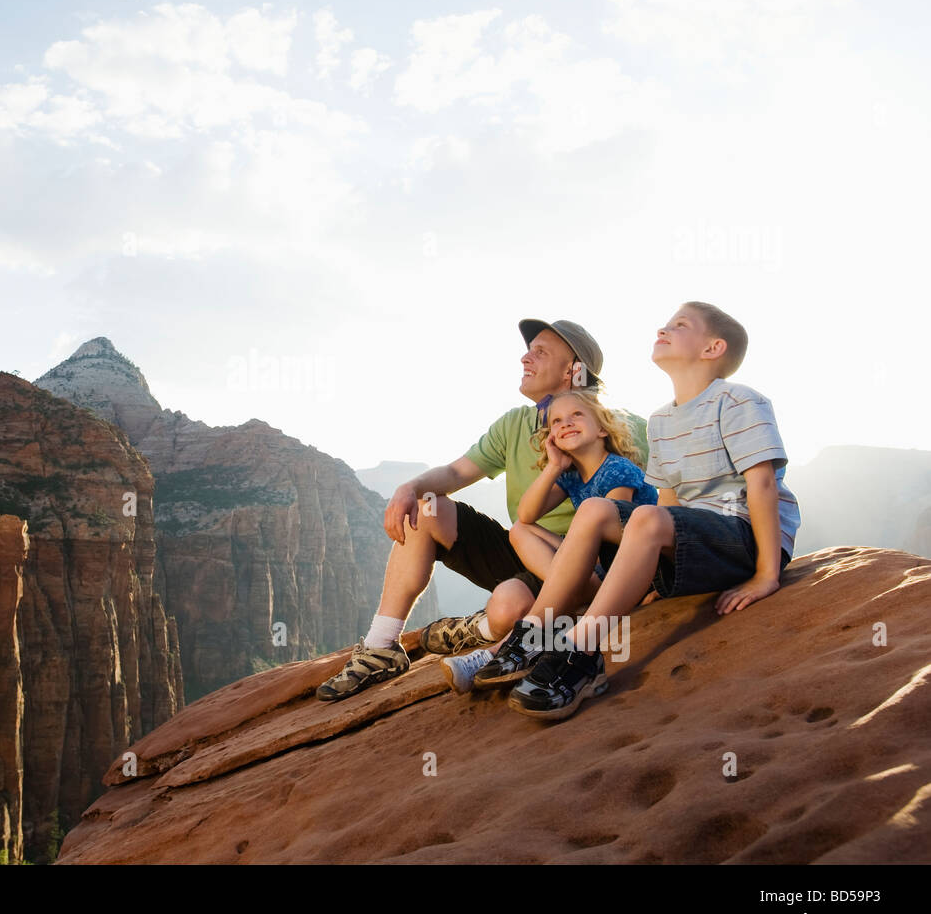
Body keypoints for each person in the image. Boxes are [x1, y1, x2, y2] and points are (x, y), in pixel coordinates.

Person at [316, 318, 650, 702]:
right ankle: (381, 647)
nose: (526, 357)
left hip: (584, 559)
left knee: (509, 605)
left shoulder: (624, 427)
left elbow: (661, 500)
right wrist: (410, 487)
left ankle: (488, 628)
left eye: (541, 352)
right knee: (425, 509)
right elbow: (458, 472)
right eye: (529, 349)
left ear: (574, 371)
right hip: (527, 549)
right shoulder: (514, 424)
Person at [500, 301, 800, 720]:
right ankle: (534, 631)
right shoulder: (661, 421)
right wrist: (655, 567)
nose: (665, 327)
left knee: (642, 516)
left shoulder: (738, 400)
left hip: (742, 535)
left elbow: (763, 484)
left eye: (680, 325)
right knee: (595, 510)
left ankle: (582, 655)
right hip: (696, 544)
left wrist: (767, 574)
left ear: (712, 348)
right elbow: (670, 503)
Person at [439, 389, 658, 693]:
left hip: (623, 572)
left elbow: (618, 539)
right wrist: (554, 466)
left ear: (602, 429)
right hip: (592, 572)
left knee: (574, 545)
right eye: (556, 421)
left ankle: (502, 650)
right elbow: (526, 515)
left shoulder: (617, 470)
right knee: (519, 531)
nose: (565, 423)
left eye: (577, 415)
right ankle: (552, 613)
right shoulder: (572, 477)